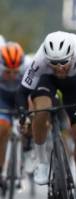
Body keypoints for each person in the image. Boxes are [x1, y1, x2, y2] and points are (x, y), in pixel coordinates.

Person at [17, 31, 76, 199]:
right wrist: (23, 115)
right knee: (41, 111)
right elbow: (23, 91)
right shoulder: (41, 60)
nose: (59, 68)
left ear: (72, 55)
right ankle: (42, 161)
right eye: (54, 63)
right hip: (47, 81)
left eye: (63, 63)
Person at [0, 42, 31, 190]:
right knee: (3, 128)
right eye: (7, 71)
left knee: (29, 123)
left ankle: (26, 152)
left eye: (15, 71)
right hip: (3, 100)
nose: (12, 75)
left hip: (21, 97)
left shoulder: (29, 66)